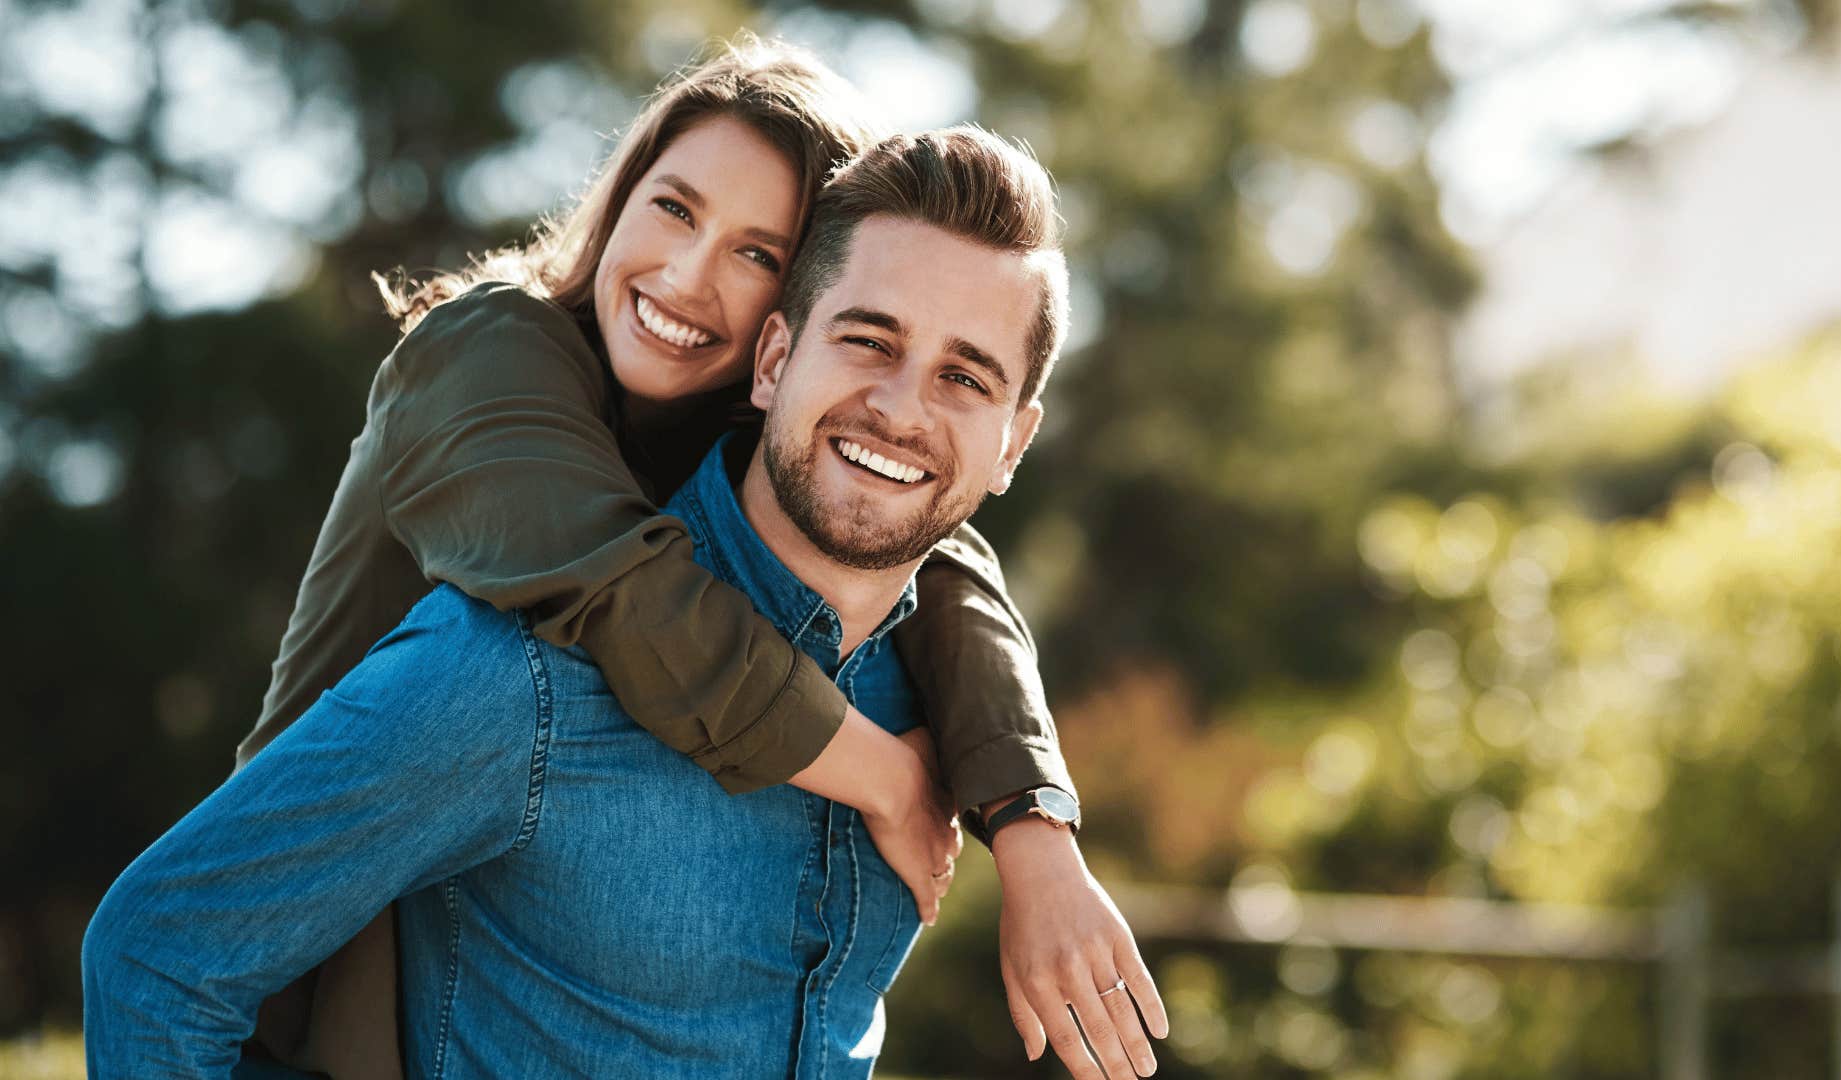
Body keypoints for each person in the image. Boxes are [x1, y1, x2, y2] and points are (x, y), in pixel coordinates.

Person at [83, 125, 1167, 1078]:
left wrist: (1035, 829)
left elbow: (950, 564)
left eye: (965, 378)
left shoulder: (921, 679)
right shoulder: (519, 663)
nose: (898, 408)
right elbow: (154, 955)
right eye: (869, 339)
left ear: (1014, 443)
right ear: (776, 357)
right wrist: (890, 781)